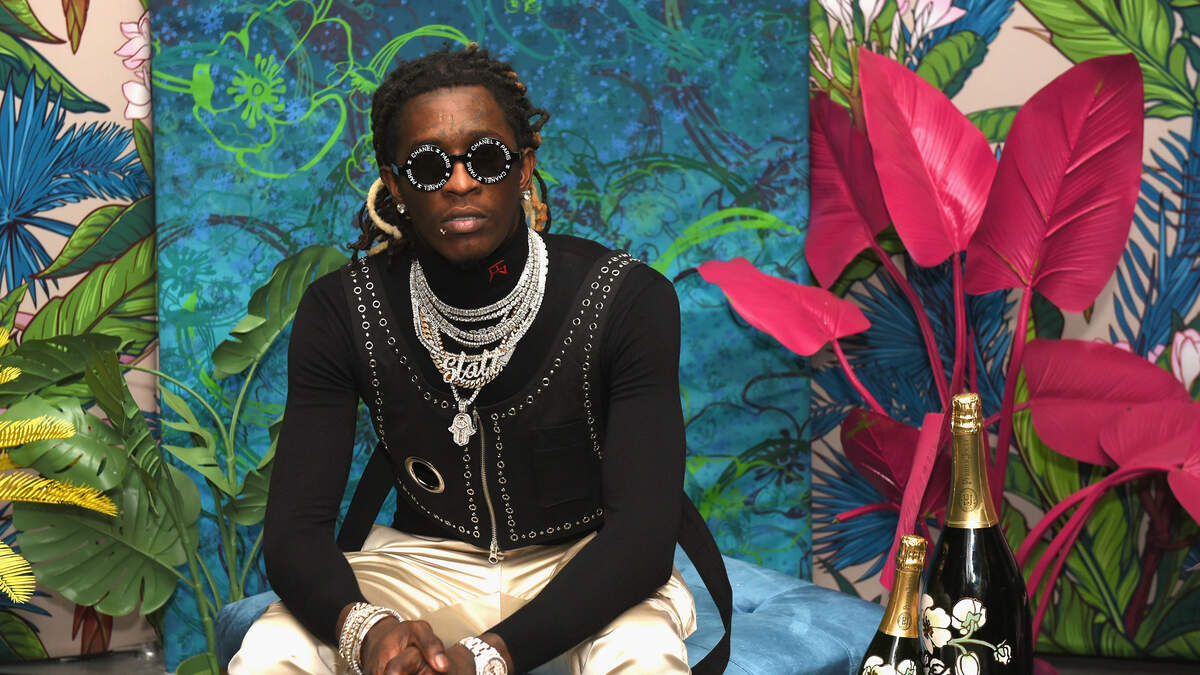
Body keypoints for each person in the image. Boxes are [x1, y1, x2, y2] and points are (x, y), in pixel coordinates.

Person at [228, 44, 729, 675]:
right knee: (273, 649)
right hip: (423, 563)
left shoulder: (625, 298)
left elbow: (642, 539)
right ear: (395, 185)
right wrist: (368, 630)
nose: (461, 183)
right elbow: (294, 531)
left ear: (524, 168)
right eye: (428, 166)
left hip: (584, 559)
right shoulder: (343, 310)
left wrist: (489, 656)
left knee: (642, 653)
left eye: (487, 158)